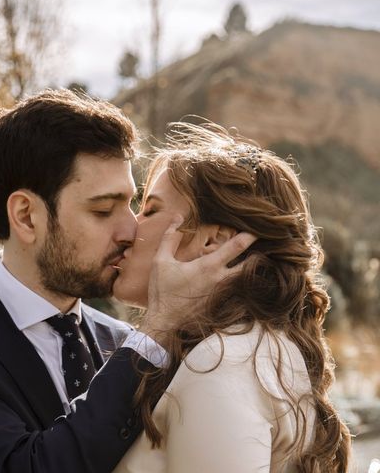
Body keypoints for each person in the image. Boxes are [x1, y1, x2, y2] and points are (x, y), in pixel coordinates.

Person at [0, 91, 254, 472]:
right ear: (26, 216)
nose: (130, 230)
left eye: (132, 205)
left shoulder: (125, 343)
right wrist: (159, 328)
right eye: (103, 209)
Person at [112, 122, 352, 472]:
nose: (130, 227)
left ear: (212, 240)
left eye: (149, 210)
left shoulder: (221, 364)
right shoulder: (244, 350)